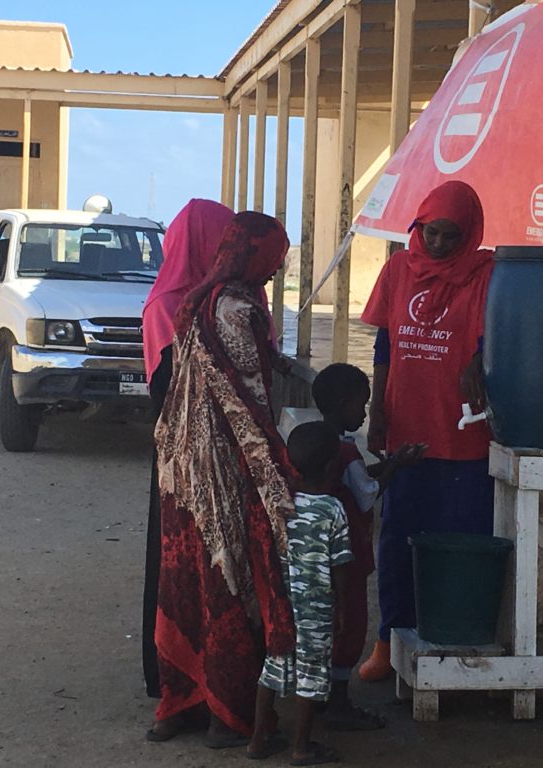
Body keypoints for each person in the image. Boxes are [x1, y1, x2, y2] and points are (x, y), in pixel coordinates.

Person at [150, 211, 297, 747]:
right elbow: (248, 402)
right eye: (275, 258)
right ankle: (226, 715)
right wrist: (274, 468)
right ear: (255, 254)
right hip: (222, 467)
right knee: (227, 579)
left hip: (181, 466)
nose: (277, 268)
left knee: (183, 578)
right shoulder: (239, 310)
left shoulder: (197, 301)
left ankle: (176, 706)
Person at [357, 180, 495, 682]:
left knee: (461, 536)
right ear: (417, 226)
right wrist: (378, 413)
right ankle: (388, 639)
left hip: (463, 434)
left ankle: (456, 640)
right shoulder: (397, 269)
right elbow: (384, 347)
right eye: (430, 232)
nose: (437, 244)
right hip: (407, 431)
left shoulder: (486, 274)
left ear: (468, 234)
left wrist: (480, 358)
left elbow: (496, 336)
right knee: (397, 538)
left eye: (450, 236)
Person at [141, 199, 234, 704]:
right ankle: (173, 676)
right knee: (178, 570)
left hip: (208, 459)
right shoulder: (171, 306)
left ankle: (215, 677)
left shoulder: (224, 300)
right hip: (183, 461)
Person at [309, 363, 424, 727]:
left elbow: (352, 481)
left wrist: (388, 463)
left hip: (318, 552)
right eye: (362, 406)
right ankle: (340, 703)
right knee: (351, 623)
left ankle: (319, 694)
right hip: (348, 552)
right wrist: (394, 469)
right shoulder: (347, 453)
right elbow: (366, 495)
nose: (364, 413)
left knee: (325, 622)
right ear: (343, 404)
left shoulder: (318, 442)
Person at [249, 420, 352, 766]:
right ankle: (301, 747)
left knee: (273, 666)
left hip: (281, 602)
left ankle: (258, 740)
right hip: (316, 607)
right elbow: (339, 565)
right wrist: (342, 607)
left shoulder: (282, 503)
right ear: (330, 467)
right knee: (311, 673)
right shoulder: (333, 510)